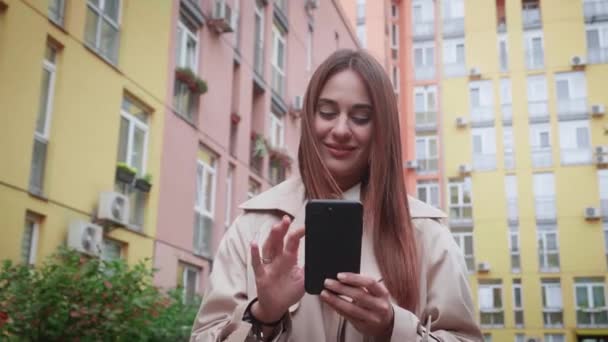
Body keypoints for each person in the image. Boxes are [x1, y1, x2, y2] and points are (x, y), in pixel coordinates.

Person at [190, 49, 483, 342]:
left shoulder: (426, 234)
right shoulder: (253, 228)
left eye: (361, 117)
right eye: (327, 112)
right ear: (309, 118)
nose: (341, 130)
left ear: (382, 128)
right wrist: (264, 315)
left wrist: (393, 329)